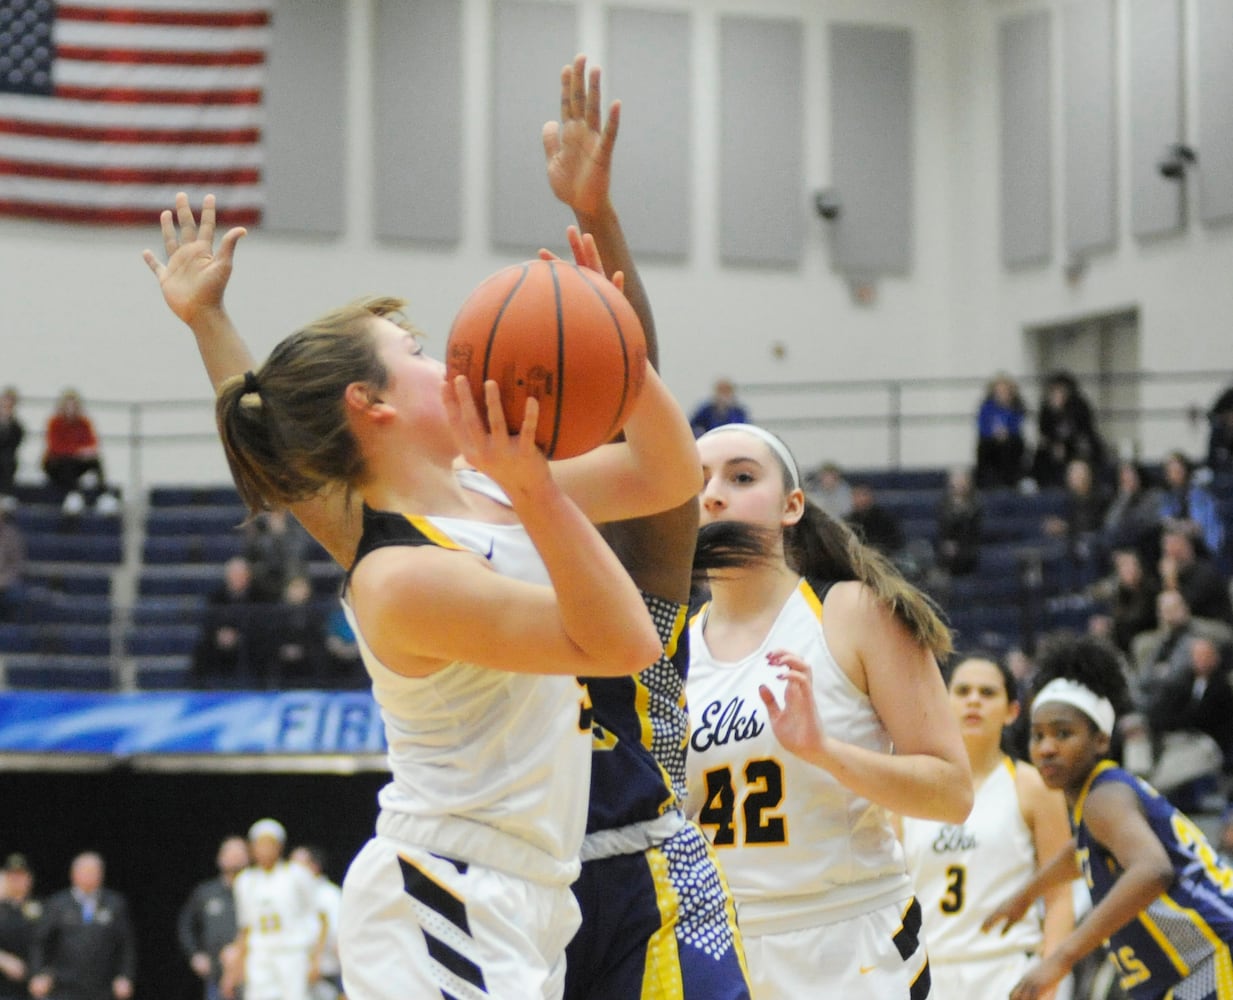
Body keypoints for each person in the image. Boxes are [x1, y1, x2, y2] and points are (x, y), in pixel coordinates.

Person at [144, 192, 698, 997]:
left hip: (525, 890)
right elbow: (623, 644)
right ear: (372, 403)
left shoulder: (484, 492)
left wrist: (615, 344)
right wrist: (538, 490)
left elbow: (667, 475)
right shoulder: (399, 574)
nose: (453, 365)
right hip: (446, 886)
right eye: (418, 351)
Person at [542, 55, 750, 1000]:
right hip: (526, 878)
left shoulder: (639, 530)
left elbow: (639, 376)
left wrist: (597, 215)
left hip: (652, 866)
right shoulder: (477, 538)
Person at [685, 421, 974, 998]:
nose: (714, 492)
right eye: (697, 482)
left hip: (850, 941)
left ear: (792, 506)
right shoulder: (671, 648)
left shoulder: (852, 611)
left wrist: (825, 752)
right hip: (723, 944)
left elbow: (952, 791)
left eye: (741, 476)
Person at [981, 634, 1233, 1000]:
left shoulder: (1105, 797)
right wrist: (1025, 895)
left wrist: (1062, 956)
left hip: (1213, 954)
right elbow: (1080, 849)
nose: (1047, 748)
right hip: (1191, 967)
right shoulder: (1097, 807)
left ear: (1101, 740)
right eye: (1038, 736)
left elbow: (1152, 869)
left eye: (1063, 733)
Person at [901, 655, 1074, 1000]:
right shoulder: (909, 787)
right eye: (962, 691)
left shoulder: (1032, 787)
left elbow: (1060, 897)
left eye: (987, 692)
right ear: (943, 702)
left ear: (1012, 711)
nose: (974, 700)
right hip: (927, 972)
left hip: (1008, 970)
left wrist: (1049, 979)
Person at [230, 819, 324, 1000]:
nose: (264, 849)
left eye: (269, 844)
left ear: (280, 846)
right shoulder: (245, 881)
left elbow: (321, 916)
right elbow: (245, 926)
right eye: (260, 844)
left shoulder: (297, 874)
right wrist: (237, 964)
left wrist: (316, 959)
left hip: (292, 952)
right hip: (260, 953)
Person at [28, 852, 135, 1000]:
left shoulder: (115, 904)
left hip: (103, 986)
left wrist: (125, 976)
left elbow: (126, 944)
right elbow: (40, 942)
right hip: (64, 987)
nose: (90, 876)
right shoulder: (57, 904)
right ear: (73, 874)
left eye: (94, 872)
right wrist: (38, 974)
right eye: (85, 871)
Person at [177, 835, 249, 1000]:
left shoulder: (256, 889)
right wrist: (195, 954)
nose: (234, 858)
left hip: (251, 973)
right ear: (220, 858)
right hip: (216, 974)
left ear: (248, 858)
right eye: (229, 853)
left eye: (239, 853)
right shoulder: (206, 892)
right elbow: (186, 925)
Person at [41, 390, 118, 517]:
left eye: (74, 406)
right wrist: (77, 452)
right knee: (67, 461)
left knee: (95, 461)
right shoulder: (54, 422)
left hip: (76, 462)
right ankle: (74, 495)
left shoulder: (84, 423)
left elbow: (92, 443)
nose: (71, 409)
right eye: (68, 405)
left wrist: (85, 452)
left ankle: (104, 496)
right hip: (56, 464)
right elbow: (55, 447)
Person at [191, 556, 261, 689]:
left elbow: (261, 623)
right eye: (234, 575)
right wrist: (220, 634)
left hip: (248, 640)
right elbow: (209, 622)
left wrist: (239, 635)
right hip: (220, 640)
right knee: (202, 647)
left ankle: (251, 687)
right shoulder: (216, 597)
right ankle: (200, 688)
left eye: (240, 575)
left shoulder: (258, 597)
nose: (237, 579)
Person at [1030, 371, 1105, 490]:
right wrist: (1055, 413)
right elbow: (1044, 430)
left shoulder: (1079, 405)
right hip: (1054, 444)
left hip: (1076, 443)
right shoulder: (1047, 407)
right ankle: (1042, 483)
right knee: (1042, 453)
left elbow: (1085, 428)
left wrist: (1067, 442)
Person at [289, 846, 343, 1000]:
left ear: (314, 866)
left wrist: (316, 963)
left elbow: (337, 937)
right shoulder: (290, 896)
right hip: (295, 971)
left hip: (325, 972)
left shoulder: (329, 895)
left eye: (299, 866)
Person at [1158, 525, 1233, 624]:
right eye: (1166, 546)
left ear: (1187, 546)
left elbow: (1180, 609)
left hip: (1216, 626)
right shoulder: (1174, 574)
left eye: (1174, 544)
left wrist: (1170, 580)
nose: (1169, 551)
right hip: (1189, 627)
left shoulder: (1205, 573)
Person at [1158, 450, 1225, 560]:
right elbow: (1165, 521)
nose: (1174, 474)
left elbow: (1197, 527)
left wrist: (1177, 526)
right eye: (1171, 471)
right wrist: (1179, 526)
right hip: (1180, 540)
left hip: (1204, 543)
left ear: (1185, 470)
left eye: (1178, 470)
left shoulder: (1200, 493)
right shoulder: (1169, 496)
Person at [243, 510, 311, 604]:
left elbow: (297, 553)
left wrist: (280, 535)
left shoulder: (296, 524)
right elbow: (252, 553)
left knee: (297, 585)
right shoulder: (258, 525)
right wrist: (272, 535)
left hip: (289, 575)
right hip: (264, 578)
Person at [975, 373, 1028, 489]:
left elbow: (1017, 424)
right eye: (999, 391)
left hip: (1010, 440)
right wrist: (994, 433)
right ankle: (984, 482)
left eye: (1005, 391)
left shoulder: (1016, 406)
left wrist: (1006, 432)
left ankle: (1009, 481)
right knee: (984, 447)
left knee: (1012, 445)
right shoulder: (987, 406)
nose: (1002, 394)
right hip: (990, 440)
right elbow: (982, 425)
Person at [0, 853, 40, 1000]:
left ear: (30, 878)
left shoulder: (43, 907)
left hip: (35, 988)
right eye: (11, 876)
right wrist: (3, 960)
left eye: (21, 875)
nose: (16, 880)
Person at [934, 465, 984, 577]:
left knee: (963, 554)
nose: (959, 485)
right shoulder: (943, 504)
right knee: (944, 552)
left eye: (962, 481)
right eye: (956, 481)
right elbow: (942, 530)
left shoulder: (975, 505)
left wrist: (959, 546)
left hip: (968, 547)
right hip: (947, 547)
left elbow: (973, 532)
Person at [844, 480, 906, 558]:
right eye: (856, 495)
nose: (860, 499)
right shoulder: (847, 521)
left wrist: (879, 551)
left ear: (871, 497)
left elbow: (896, 542)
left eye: (863, 495)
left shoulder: (884, 519)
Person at [0, 497, 26, 622]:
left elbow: (16, 565)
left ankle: (10, 629)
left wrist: (3, 581)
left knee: (15, 594)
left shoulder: (12, 536)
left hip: (6, 582)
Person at [0, 387, 23, 498]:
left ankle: (5, 495)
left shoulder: (16, 426)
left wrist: (6, 424)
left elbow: (14, 444)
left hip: (7, 459)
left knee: (7, 461)